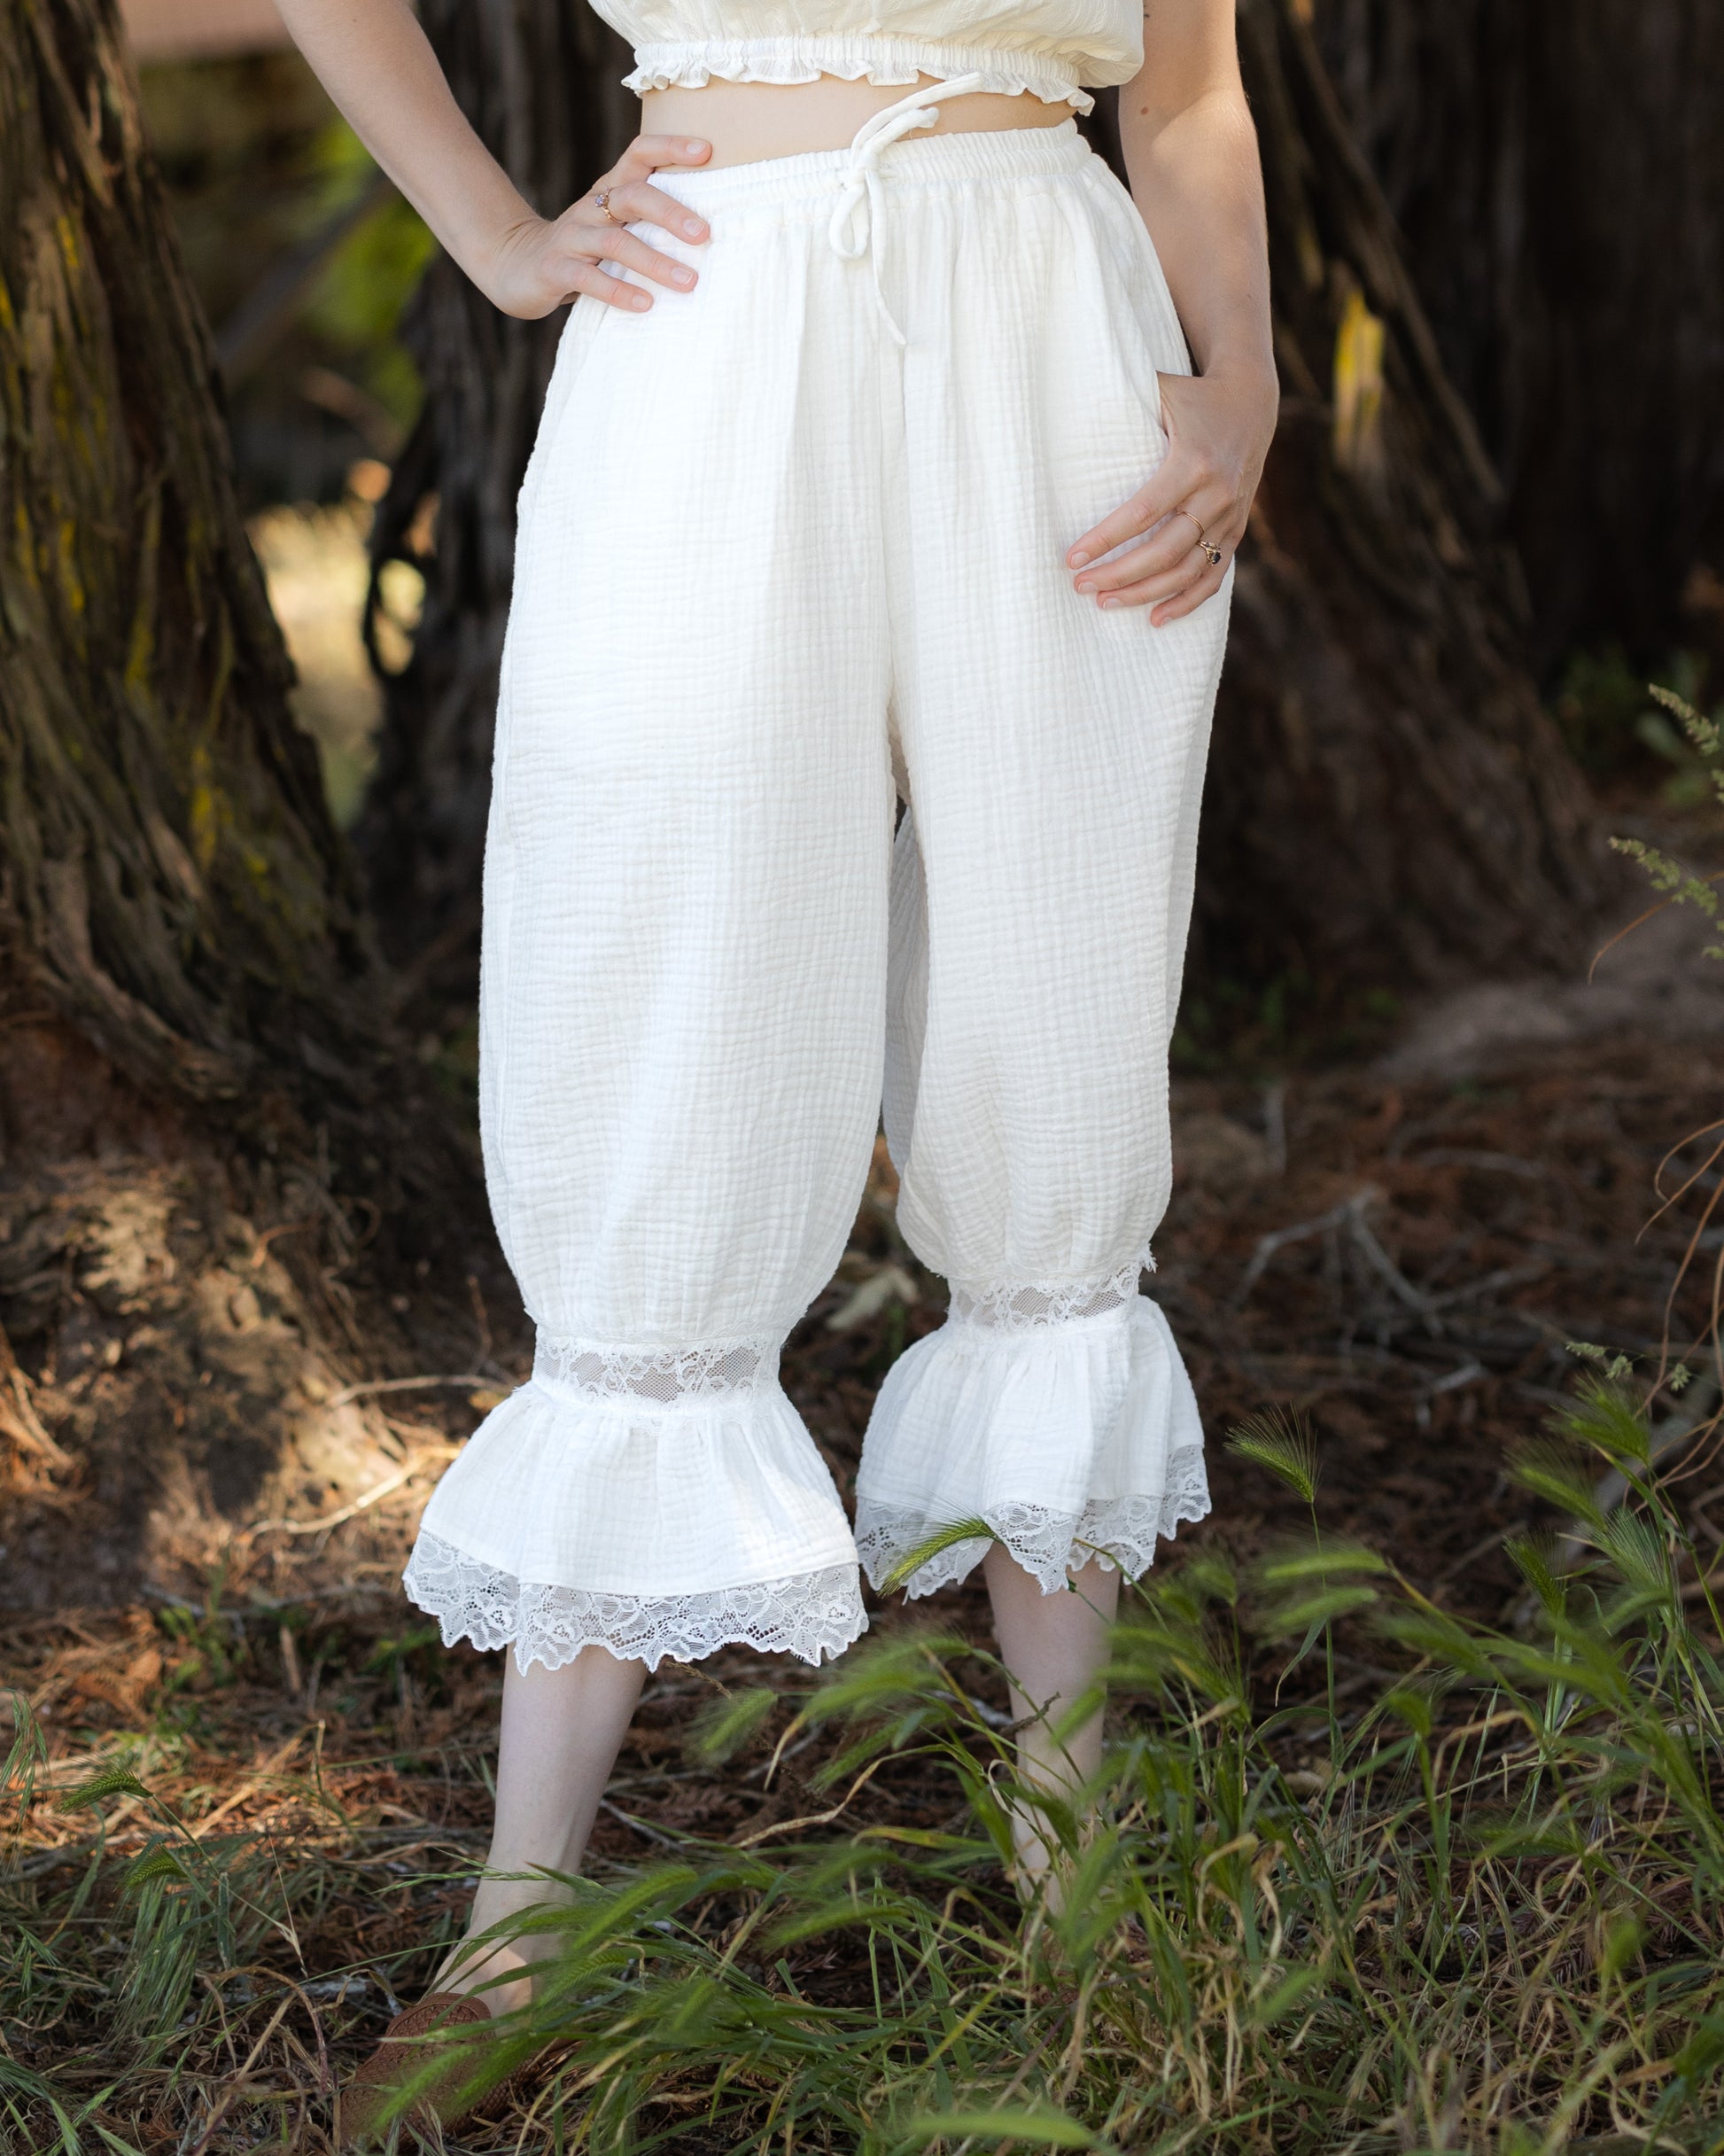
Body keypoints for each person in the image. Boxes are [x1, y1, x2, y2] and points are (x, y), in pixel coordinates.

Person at [272, 0, 1275, 2130]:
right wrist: (501, 235)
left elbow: (1182, 81)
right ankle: (519, 1924)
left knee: (1055, 1041)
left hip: (1057, 351)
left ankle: (1072, 1874)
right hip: (703, 330)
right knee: (659, 1019)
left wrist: (1250, 381)